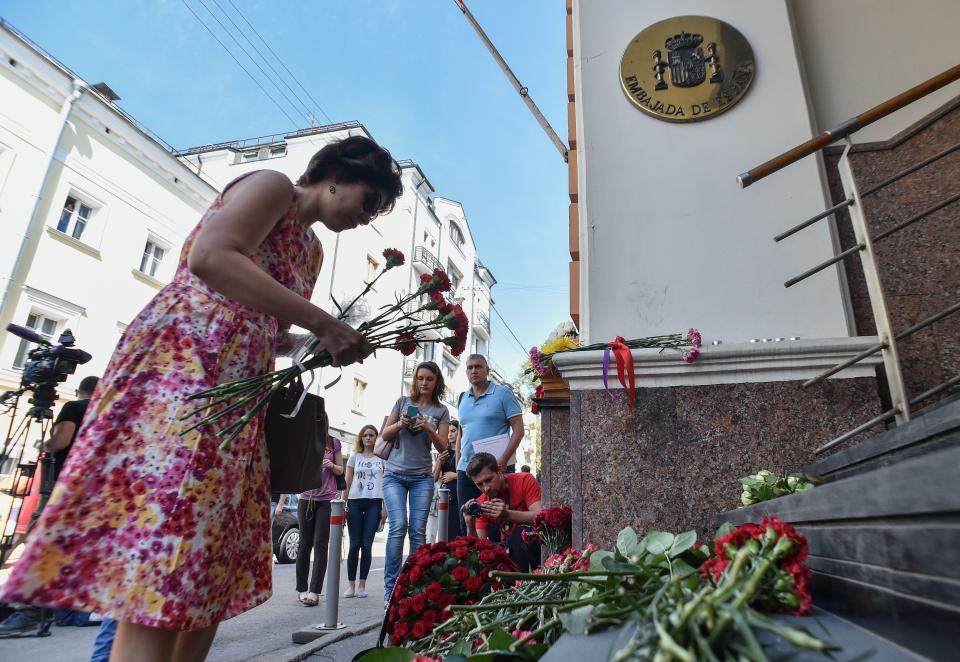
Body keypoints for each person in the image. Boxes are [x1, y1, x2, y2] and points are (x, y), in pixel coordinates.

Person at [0, 135, 402, 661]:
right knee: (169, 536)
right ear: (338, 175)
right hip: (182, 373)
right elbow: (211, 258)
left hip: (233, 400)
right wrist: (323, 322)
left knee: (206, 548)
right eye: (368, 201)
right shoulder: (273, 186)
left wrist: (316, 345)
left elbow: (270, 326)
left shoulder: (312, 248)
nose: (366, 217)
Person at [376, 361, 449, 604]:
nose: (424, 383)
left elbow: (443, 447)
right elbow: (385, 434)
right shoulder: (402, 402)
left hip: (422, 477)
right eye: (420, 378)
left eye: (429, 378)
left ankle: (417, 589)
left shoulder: (441, 411)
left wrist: (428, 427)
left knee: (418, 531)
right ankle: (391, 592)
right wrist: (401, 424)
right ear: (415, 380)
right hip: (394, 474)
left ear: (436, 381)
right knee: (398, 526)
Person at [456, 354, 524, 537]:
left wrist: (502, 460)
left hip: (496, 469)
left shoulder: (503, 393)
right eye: (469, 368)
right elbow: (461, 434)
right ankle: (471, 564)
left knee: (497, 523)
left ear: (487, 370)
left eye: (478, 366)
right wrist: (458, 464)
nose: (474, 371)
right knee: (467, 521)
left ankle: (499, 564)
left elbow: (518, 430)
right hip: (466, 472)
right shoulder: (463, 398)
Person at [463, 452, 543, 572]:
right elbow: (479, 548)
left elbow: (541, 516)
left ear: (499, 470)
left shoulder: (524, 480)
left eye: (489, 480)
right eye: (479, 485)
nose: (486, 488)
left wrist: (507, 515)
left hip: (535, 546)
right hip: (508, 552)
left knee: (520, 534)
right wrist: (470, 525)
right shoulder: (482, 502)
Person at [295, 434, 344, 606]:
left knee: (320, 544)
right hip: (306, 498)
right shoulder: (305, 439)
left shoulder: (333, 442)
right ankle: (301, 589)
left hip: (326, 500)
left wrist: (331, 465)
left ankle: (314, 591)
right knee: (304, 544)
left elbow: (341, 470)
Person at [343, 424, 385, 599]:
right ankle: (351, 585)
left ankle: (362, 585)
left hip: (374, 503)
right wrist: (342, 504)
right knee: (354, 545)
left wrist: (385, 508)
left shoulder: (382, 458)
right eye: (365, 435)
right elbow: (347, 481)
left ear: (376, 438)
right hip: (354, 502)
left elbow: (386, 483)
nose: (368, 438)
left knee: (366, 545)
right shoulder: (354, 457)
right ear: (361, 438)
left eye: (372, 435)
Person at [433, 421, 462, 539]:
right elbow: (434, 478)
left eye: (453, 431)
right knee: (446, 530)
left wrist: (455, 476)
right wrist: (439, 461)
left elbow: (472, 475)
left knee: (459, 529)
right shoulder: (443, 452)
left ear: (460, 432)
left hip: (460, 493)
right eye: (448, 432)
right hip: (445, 496)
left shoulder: (464, 452)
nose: (450, 434)